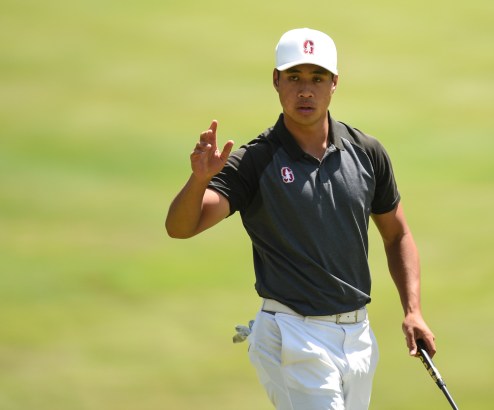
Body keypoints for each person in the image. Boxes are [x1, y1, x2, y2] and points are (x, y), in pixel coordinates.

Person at [165, 27, 436, 410]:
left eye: (317, 78)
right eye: (294, 77)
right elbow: (181, 227)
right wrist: (198, 181)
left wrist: (413, 311)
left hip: (358, 336)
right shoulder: (255, 160)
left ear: (334, 83)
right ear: (276, 81)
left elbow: (397, 234)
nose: (305, 90)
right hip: (291, 334)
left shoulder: (366, 152)